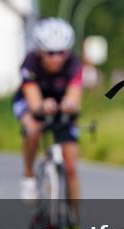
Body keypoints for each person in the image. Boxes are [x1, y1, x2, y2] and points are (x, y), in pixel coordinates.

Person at [13, 17, 83, 215]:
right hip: (31, 101)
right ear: (40, 52)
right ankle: (29, 176)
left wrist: (70, 105)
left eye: (61, 52)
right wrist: (42, 107)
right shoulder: (30, 63)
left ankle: (74, 223)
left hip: (60, 102)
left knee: (71, 167)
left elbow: (74, 96)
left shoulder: (74, 64)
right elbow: (34, 103)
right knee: (32, 128)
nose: (56, 58)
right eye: (50, 53)